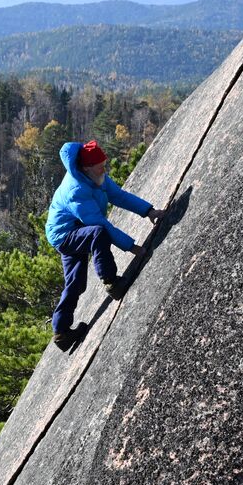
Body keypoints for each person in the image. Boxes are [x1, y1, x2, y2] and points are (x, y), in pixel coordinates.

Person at [45, 140, 163, 348]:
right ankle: (111, 282)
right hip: (64, 235)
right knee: (98, 233)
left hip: (75, 229)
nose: (104, 168)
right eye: (100, 165)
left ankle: (61, 332)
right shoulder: (76, 190)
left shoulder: (95, 177)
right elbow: (98, 224)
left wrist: (148, 211)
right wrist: (132, 247)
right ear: (86, 167)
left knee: (76, 282)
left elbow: (119, 196)